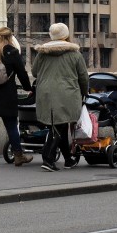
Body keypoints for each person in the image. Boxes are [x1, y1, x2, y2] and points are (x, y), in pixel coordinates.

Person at [32, 22, 89, 172]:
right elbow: (83, 77)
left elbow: (34, 72)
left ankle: (68, 160)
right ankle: (48, 158)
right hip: (67, 93)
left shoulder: (42, 53)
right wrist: (85, 92)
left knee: (59, 124)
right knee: (59, 125)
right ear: (66, 35)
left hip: (45, 92)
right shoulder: (74, 54)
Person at [0, 27, 35, 168]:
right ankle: (18, 156)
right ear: (9, 37)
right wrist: (28, 88)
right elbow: (21, 73)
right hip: (6, 95)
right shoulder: (11, 52)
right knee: (11, 127)